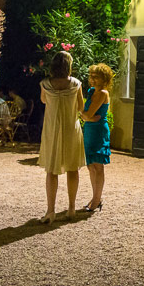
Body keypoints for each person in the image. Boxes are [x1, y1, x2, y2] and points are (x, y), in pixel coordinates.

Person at [37, 51, 86, 223]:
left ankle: (51, 211)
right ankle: (71, 208)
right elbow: (81, 106)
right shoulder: (76, 84)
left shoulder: (45, 84)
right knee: (72, 168)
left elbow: (44, 101)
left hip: (52, 129)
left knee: (51, 170)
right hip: (71, 128)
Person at [80, 63, 112, 212]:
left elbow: (88, 113)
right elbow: (84, 113)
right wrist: (87, 117)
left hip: (98, 131)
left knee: (98, 166)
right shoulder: (92, 91)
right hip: (89, 130)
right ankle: (95, 197)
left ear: (103, 78)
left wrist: (87, 117)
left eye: (95, 77)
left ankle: (97, 199)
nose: (92, 79)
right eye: (90, 76)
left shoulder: (103, 93)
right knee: (90, 165)